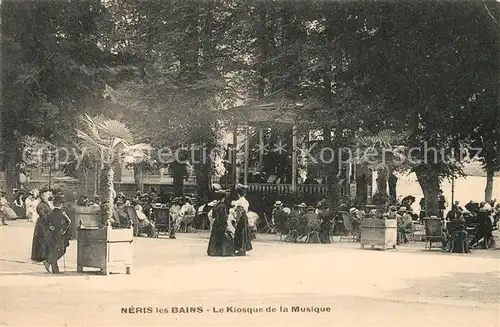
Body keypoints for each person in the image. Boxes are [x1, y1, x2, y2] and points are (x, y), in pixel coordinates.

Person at [42, 194, 71, 273]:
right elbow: (69, 222)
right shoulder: (62, 213)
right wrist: (64, 230)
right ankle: (50, 264)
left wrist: (50, 228)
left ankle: (50, 264)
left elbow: (45, 224)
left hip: (52, 235)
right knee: (62, 250)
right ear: (60, 204)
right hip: (60, 235)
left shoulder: (50, 213)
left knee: (55, 250)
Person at [207, 189, 235, 256]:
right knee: (225, 237)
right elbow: (223, 216)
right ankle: (224, 252)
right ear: (224, 197)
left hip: (216, 223)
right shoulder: (222, 206)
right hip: (221, 223)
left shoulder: (216, 205)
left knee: (216, 238)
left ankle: (214, 252)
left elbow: (213, 215)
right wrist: (225, 223)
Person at [31, 187, 53, 262]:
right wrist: (50, 220)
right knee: (42, 238)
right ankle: (40, 255)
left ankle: (44, 255)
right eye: (46, 196)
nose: (47, 197)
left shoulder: (45, 204)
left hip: (45, 223)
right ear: (42, 196)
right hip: (42, 224)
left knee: (45, 239)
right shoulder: (41, 205)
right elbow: (43, 215)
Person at [232, 185, 252, 256]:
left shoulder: (239, 201)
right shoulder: (245, 201)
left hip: (241, 217)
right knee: (244, 232)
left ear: (238, 194)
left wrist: (236, 221)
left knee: (240, 232)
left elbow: (239, 212)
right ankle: (243, 248)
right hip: (245, 217)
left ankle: (241, 249)